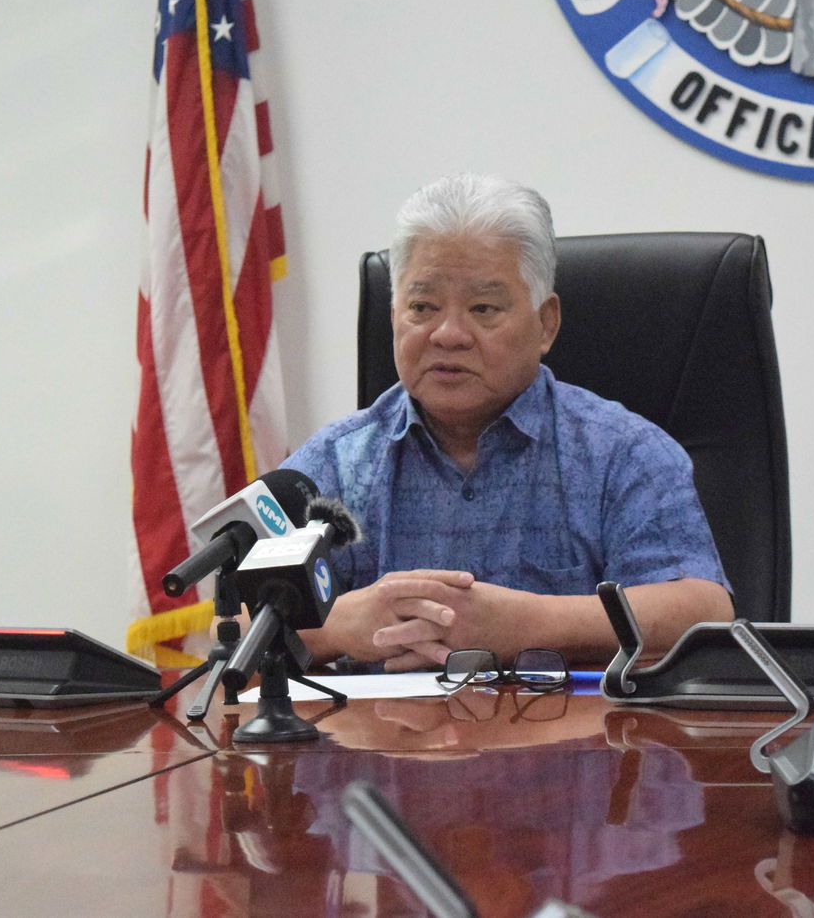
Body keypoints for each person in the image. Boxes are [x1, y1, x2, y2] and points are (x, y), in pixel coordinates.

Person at [283, 172, 733, 672]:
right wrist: (337, 624)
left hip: (578, 744)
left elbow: (702, 612)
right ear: (393, 315)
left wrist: (526, 626)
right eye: (422, 307)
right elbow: (232, 620)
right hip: (383, 745)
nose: (448, 334)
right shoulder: (338, 461)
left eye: (483, 308)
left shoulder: (622, 453)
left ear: (546, 324)